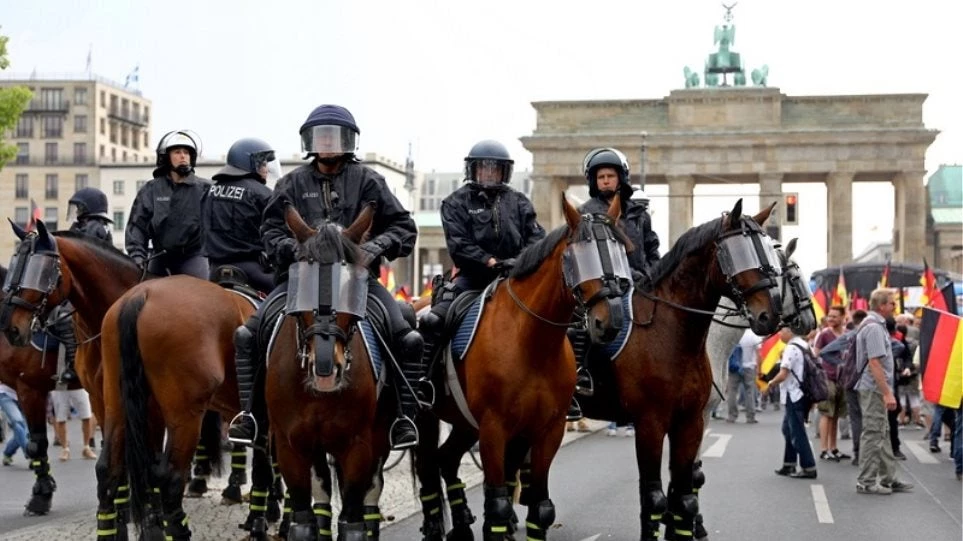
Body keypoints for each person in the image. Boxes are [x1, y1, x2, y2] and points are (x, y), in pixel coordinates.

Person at [228, 105, 423, 450]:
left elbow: (403, 227)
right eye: (322, 137)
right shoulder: (290, 182)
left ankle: (402, 418)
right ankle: (251, 417)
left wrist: (373, 248)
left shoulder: (370, 181)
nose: (328, 144)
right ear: (310, 142)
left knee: (407, 335)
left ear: (348, 142)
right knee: (247, 334)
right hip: (299, 278)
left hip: (358, 279)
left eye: (335, 137)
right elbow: (269, 229)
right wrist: (295, 249)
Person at [418, 140, 545, 371]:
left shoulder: (519, 201)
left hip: (516, 278)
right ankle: (424, 381)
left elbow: (537, 238)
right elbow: (458, 244)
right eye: (483, 167)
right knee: (431, 321)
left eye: (494, 168)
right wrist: (489, 261)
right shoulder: (455, 202)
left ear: (503, 172)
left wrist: (519, 263)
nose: (488, 173)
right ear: (473, 169)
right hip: (472, 280)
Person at [568, 148, 660, 414]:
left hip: (642, 284)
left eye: (610, 175)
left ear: (621, 178)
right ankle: (579, 376)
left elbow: (652, 248)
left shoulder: (639, 213)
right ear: (593, 182)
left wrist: (653, 275)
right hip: (605, 285)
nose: (606, 180)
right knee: (583, 324)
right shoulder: (584, 213)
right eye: (601, 177)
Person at [126, 129, 211, 279]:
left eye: (186, 152)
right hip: (159, 258)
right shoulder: (151, 189)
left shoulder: (206, 189)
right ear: (166, 158)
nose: (183, 156)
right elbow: (137, 227)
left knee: (207, 295)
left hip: (194, 258)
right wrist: (137, 257)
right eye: (177, 152)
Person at [50, 188, 114, 384]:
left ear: (89, 207)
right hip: (79, 287)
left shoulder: (95, 228)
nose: (76, 211)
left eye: (78, 207)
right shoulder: (80, 227)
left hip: (91, 289)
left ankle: (71, 366)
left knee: (63, 318)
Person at [854, 288, 913, 494]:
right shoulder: (874, 328)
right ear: (881, 306)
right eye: (892, 303)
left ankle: (889, 478)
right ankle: (867, 481)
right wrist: (887, 392)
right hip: (874, 389)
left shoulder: (875, 325)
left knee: (883, 432)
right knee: (873, 433)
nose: (895, 306)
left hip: (876, 387)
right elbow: (874, 363)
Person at [202, 137, 277, 293]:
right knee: (290, 296)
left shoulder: (209, 191)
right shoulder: (262, 193)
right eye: (263, 164)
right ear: (250, 163)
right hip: (252, 269)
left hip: (215, 269)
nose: (266, 169)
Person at [764, 325, 817, 479]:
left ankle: (809, 466)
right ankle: (789, 464)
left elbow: (783, 373)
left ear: (789, 332)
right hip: (801, 393)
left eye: (782, 330)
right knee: (788, 429)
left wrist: (770, 384)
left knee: (797, 431)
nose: (779, 333)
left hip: (795, 393)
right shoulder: (804, 345)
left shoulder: (791, 348)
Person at [0, 382, 28, 466]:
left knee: (25, 432)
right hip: (5, 394)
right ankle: (31, 455)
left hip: (25, 395)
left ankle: (8, 453)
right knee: (18, 421)